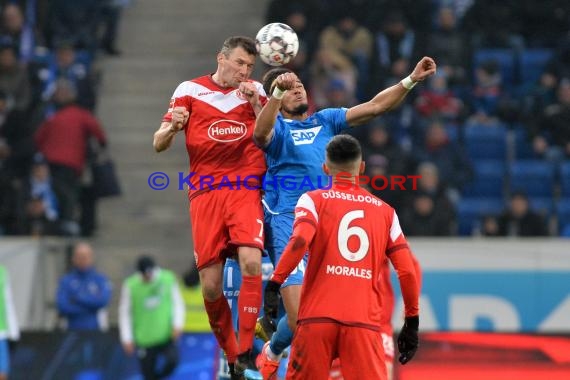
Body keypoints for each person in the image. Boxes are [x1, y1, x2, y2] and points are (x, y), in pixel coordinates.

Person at [253, 56, 435, 379]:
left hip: (329, 228)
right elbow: (260, 133)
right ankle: (273, 349)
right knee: (298, 319)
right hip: (288, 225)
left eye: (297, 84)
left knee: (325, 316)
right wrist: (274, 96)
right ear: (275, 99)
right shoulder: (277, 129)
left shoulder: (326, 120)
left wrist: (411, 80)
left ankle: (280, 351)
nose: (296, 89)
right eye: (286, 87)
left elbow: (376, 107)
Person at [153, 36, 267, 379]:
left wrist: (259, 106)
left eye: (250, 66)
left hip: (245, 187)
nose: (244, 71)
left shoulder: (255, 91)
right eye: (239, 64)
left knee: (251, 263)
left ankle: (246, 350)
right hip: (205, 193)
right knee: (211, 287)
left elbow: (272, 135)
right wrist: (174, 127)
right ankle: (233, 358)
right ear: (222, 58)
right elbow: (158, 143)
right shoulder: (189, 90)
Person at [263, 135, 420, 379]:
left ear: (325, 168)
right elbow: (407, 271)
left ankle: (270, 355)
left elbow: (300, 241)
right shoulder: (386, 213)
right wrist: (412, 321)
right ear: (362, 168)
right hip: (363, 323)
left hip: (316, 319)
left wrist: (274, 283)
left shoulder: (312, 200)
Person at [118, 255, 185, 380]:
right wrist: (126, 337)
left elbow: (178, 303)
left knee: (172, 361)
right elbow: (124, 313)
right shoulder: (131, 285)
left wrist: (177, 324)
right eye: (145, 274)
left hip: (166, 335)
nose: (148, 277)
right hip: (145, 338)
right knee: (147, 373)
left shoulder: (168, 278)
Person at [56, 242, 112, 330]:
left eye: (85, 257)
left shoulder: (100, 279)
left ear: (92, 258)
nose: (82, 260)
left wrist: (77, 298)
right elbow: (63, 306)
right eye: (80, 257)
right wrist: (92, 309)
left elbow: (102, 301)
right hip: (71, 330)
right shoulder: (66, 280)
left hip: (96, 331)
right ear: (73, 258)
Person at [0, 265, 19, 380]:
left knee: (2, 374)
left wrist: (14, 331)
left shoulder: (2, 272)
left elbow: (8, 301)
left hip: (1, 333)